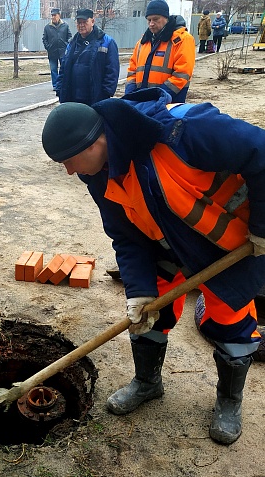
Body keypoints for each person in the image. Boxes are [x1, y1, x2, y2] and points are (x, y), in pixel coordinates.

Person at [41, 88, 265, 445]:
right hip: (166, 242)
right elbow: (126, 237)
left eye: (69, 160)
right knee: (147, 312)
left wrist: (262, 227)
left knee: (231, 321)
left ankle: (229, 401)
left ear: (95, 142)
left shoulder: (182, 130)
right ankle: (147, 383)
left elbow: (262, 152)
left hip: (226, 245)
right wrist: (138, 290)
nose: (68, 172)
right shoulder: (98, 174)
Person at [125, 0, 195, 103]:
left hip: (169, 103)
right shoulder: (142, 43)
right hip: (142, 103)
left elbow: (182, 74)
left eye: (155, 19)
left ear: (166, 18)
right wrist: (130, 95)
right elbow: (132, 70)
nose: (151, 24)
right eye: (149, 20)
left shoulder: (182, 40)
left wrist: (159, 96)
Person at [55, 9, 119, 105]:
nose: (81, 25)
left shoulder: (107, 42)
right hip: (72, 98)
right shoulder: (71, 44)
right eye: (79, 22)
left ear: (92, 21)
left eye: (84, 22)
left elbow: (112, 70)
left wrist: (106, 93)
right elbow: (63, 68)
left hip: (95, 98)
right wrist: (59, 89)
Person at [42, 8, 72, 91]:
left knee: (64, 69)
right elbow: (44, 39)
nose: (53, 17)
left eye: (55, 15)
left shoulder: (65, 26)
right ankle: (55, 85)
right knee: (53, 69)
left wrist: (67, 45)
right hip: (52, 52)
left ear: (59, 15)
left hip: (63, 51)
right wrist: (48, 47)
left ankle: (63, 84)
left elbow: (69, 36)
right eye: (52, 15)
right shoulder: (47, 27)